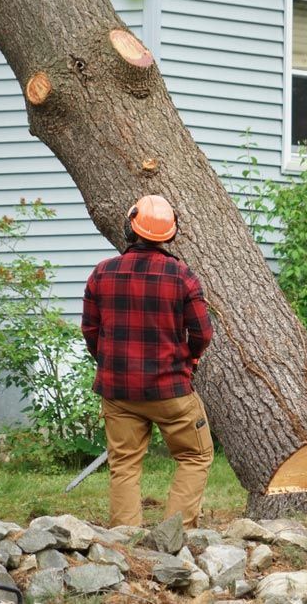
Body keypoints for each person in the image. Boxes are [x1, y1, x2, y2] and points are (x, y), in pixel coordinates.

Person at [81, 194, 214, 528]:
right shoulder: (182, 276)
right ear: (171, 234)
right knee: (195, 455)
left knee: (124, 464)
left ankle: (124, 542)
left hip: (119, 391)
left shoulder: (102, 273)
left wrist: (111, 364)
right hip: (170, 390)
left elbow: (90, 331)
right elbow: (203, 334)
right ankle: (175, 534)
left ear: (131, 228)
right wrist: (190, 360)